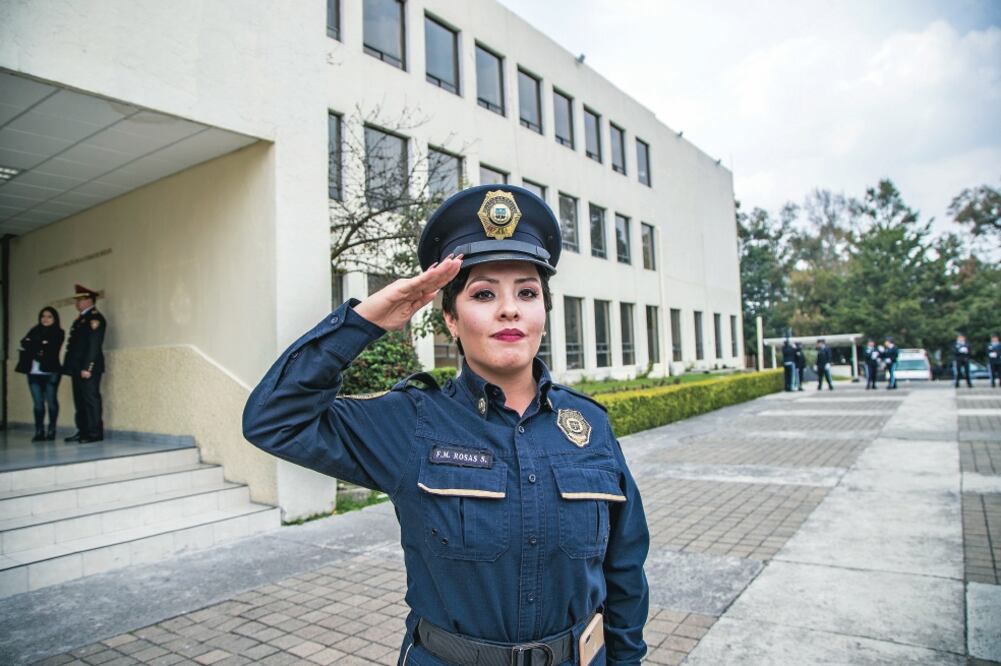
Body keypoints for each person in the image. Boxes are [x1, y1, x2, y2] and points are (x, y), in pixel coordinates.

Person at [243, 184, 649, 666]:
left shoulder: (589, 426)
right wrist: (366, 321)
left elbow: (624, 570)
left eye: (527, 291)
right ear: (451, 320)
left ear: (544, 312)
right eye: (483, 294)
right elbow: (274, 418)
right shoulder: (412, 421)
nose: (510, 309)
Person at [62, 284, 107, 443]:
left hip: (88, 368)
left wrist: (87, 367)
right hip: (77, 367)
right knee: (79, 401)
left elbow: (94, 345)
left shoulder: (95, 319)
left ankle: (94, 434)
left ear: (89, 300)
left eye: (80, 300)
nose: (77, 303)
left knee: (90, 400)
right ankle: (83, 431)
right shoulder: (81, 319)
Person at [15, 307, 65, 442]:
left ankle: (52, 430)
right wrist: (40, 344)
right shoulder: (34, 329)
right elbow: (23, 342)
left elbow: (52, 348)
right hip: (33, 372)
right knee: (38, 403)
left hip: (51, 371)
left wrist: (33, 344)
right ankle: (39, 431)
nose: (45, 319)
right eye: (43, 316)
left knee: (51, 401)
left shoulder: (59, 332)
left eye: (49, 316)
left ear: (54, 319)